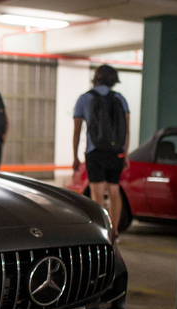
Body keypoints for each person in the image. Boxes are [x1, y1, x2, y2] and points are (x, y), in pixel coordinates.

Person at [73, 64, 130, 235]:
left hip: (94, 151)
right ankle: (115, 232)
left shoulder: (84, 99)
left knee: (97, 193)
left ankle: (102, 231)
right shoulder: (120, 98)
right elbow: (126, 130)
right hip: (116, 152)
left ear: (95, 78)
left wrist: (75, 156)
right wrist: (124, 153)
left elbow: (77, 131)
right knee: (114, 190)